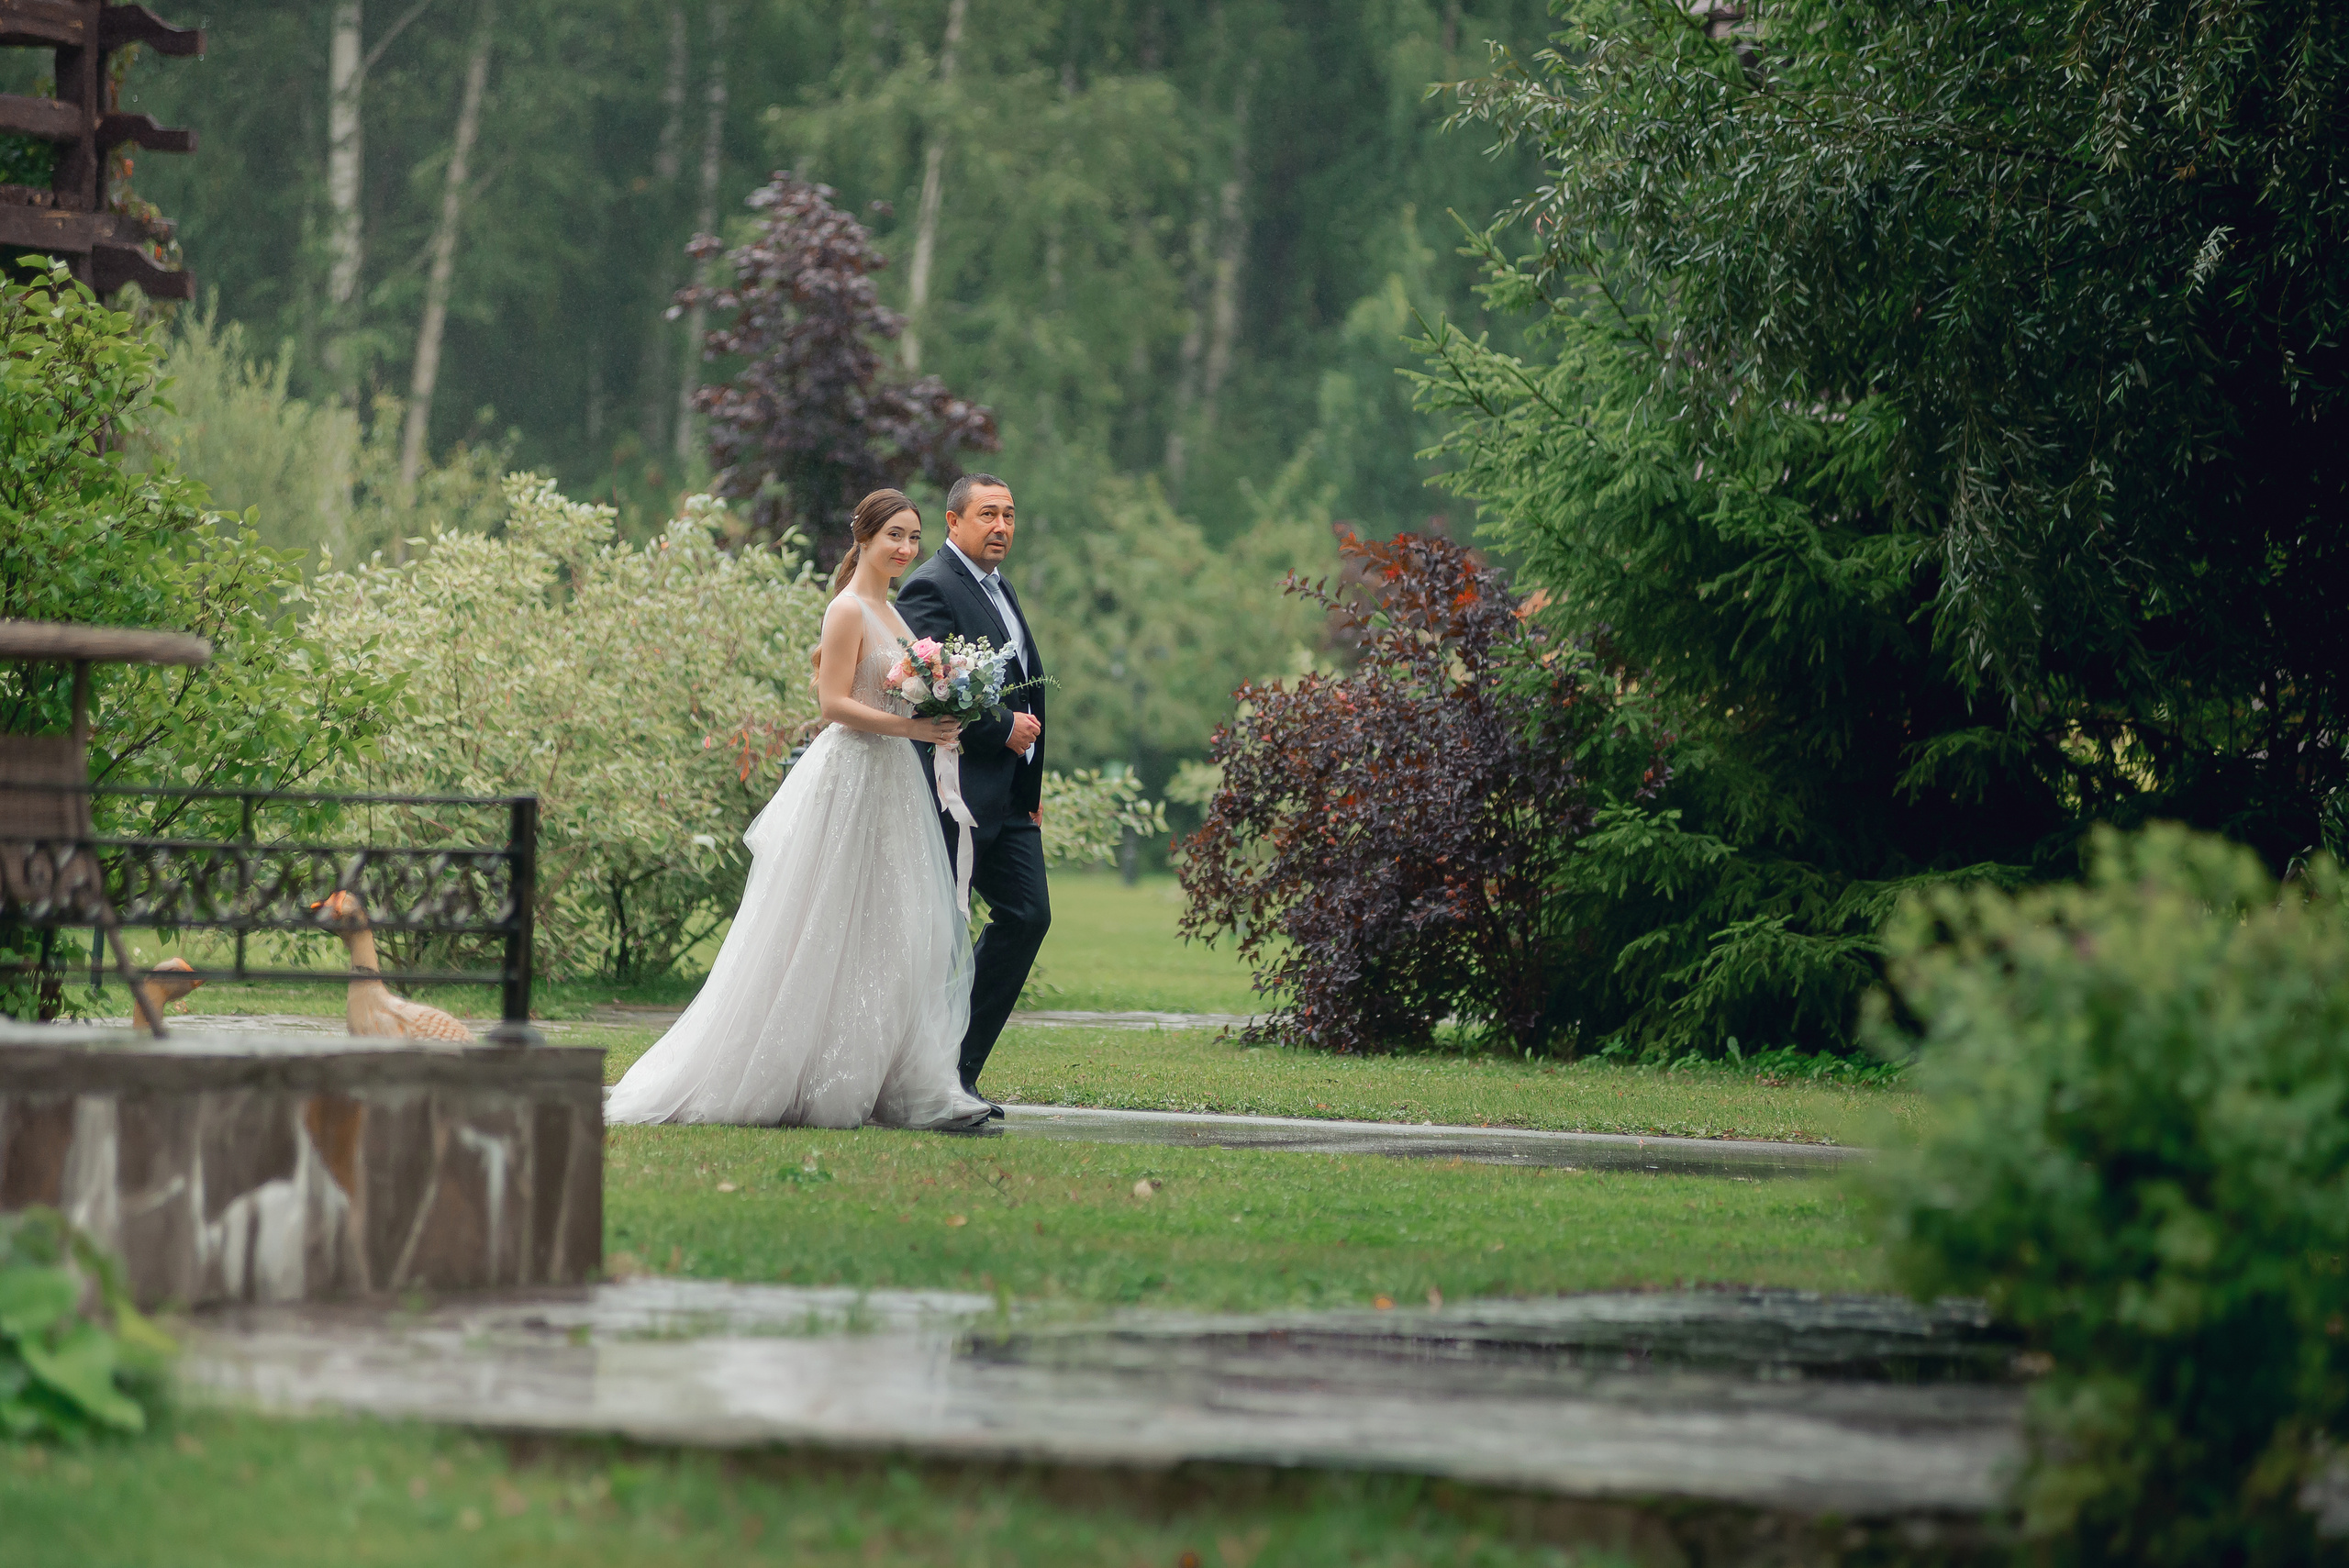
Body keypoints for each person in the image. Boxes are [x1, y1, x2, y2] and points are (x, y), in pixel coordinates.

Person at [604, 490, 992, 1131]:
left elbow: (900, 694)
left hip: (894, 782)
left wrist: (939, 709)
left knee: (893, 924)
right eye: (894, 534)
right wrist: (913, 732)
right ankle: (787, 1070)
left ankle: (886, 1076)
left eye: (913, 537)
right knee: (819, 920)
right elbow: (833, 704)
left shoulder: (893, 615)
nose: (904, 548)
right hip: (850, 777)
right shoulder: (846, 611)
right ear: (864, 535)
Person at [894, 473, 1048, 1116]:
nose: (1002, 526)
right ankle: (929, 1075)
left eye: (1009, 514)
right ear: (954, 522)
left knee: (1028, 915)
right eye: (988, 514)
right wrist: (1001, 729)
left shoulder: (997, 585)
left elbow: (1021, 682)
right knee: (939, 940)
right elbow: (924, 686)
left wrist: (1032, 784)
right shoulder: (933, 584)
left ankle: (956, 1068)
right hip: (956, 791)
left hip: (1010, 798)